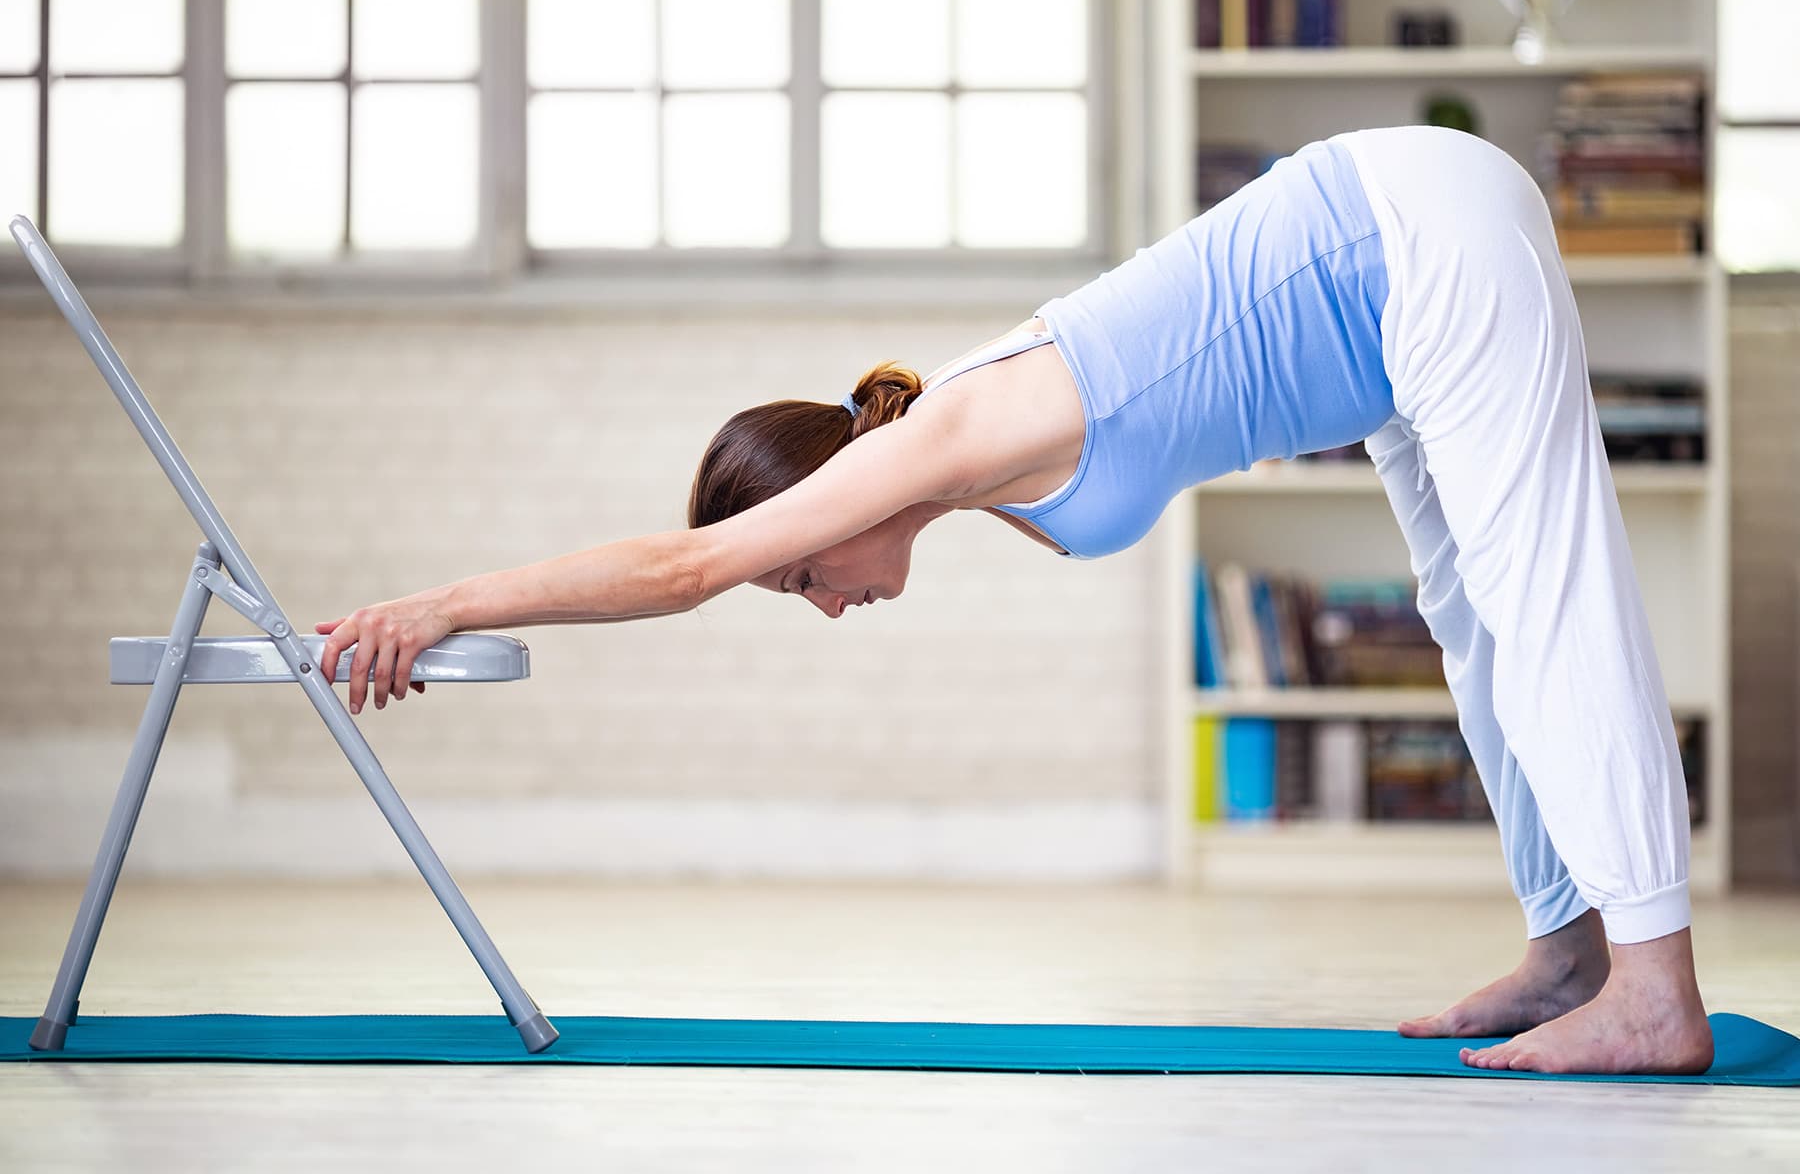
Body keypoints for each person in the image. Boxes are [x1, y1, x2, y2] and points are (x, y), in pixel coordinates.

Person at [315, 125, 1712, 1076]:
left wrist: (443, 603)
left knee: (1542, 595)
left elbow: (679, 573)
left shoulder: (939, 439)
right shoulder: (965, 468)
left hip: (1411, 234)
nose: (820, 602)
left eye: (802, 572)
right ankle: (1564, 955)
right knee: (1475, 626)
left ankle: (1654, 996)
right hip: (1389, 319)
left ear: (836, 496)